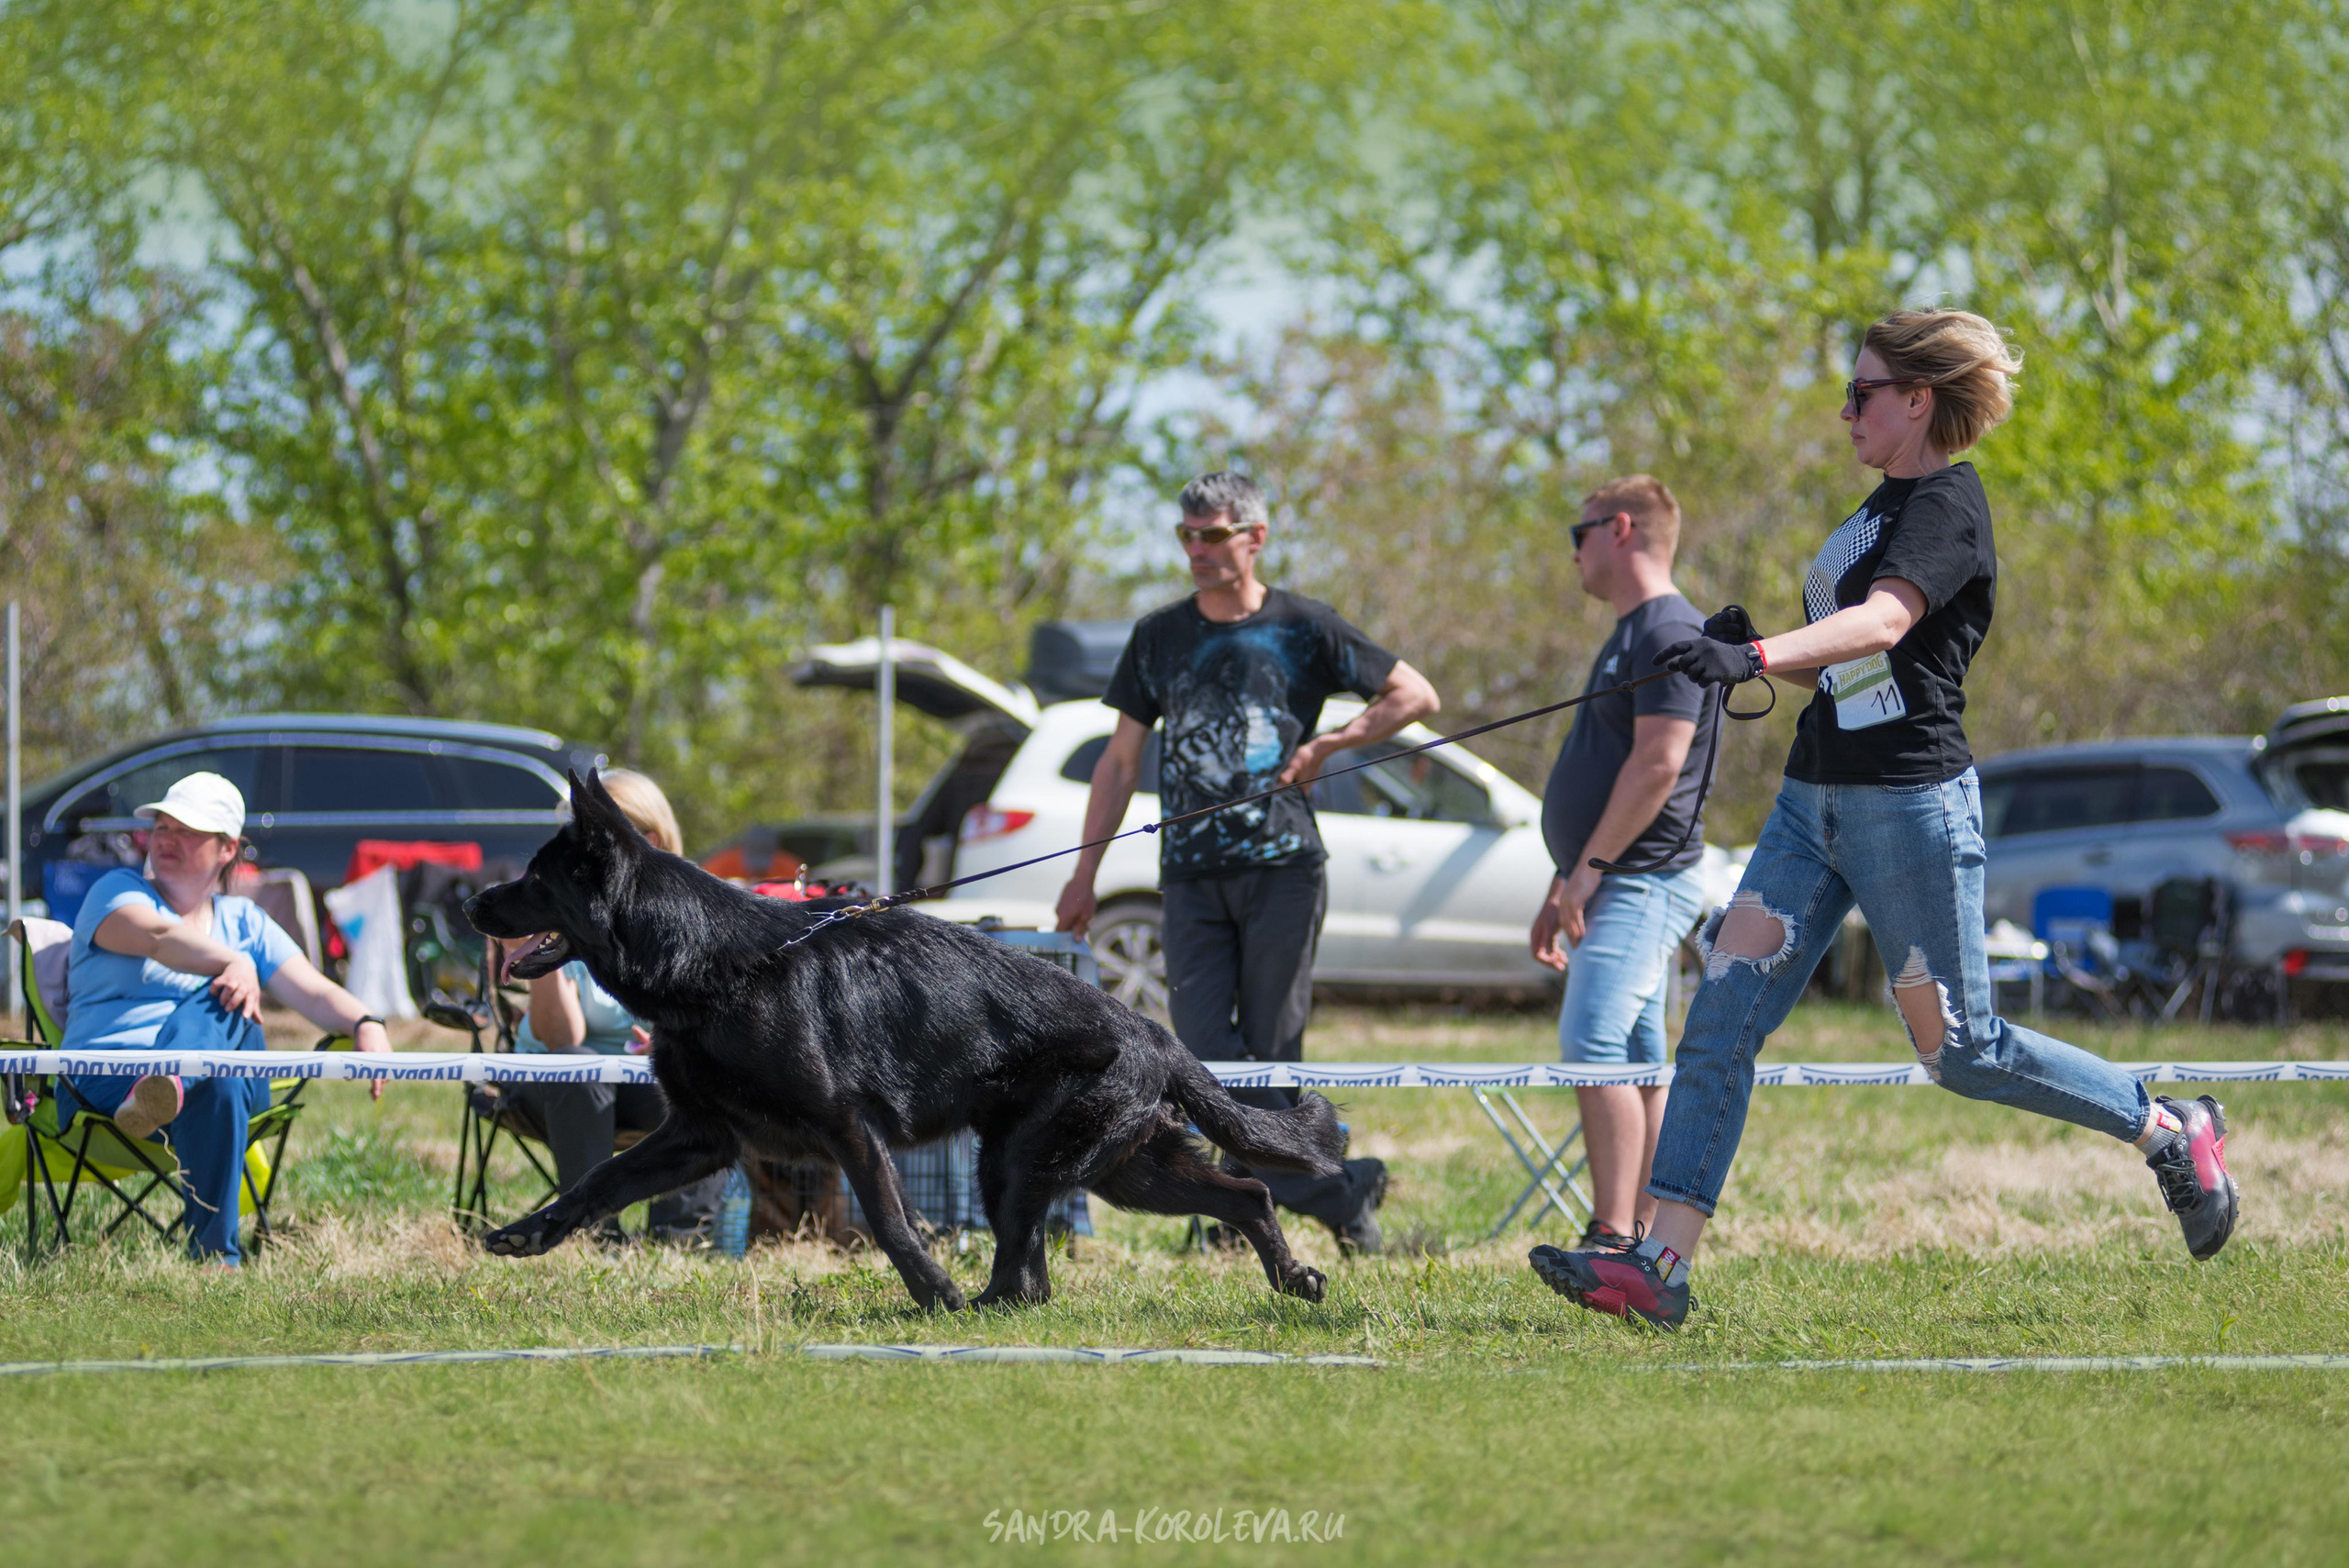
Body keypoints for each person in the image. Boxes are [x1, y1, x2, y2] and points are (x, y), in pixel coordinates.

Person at [1530, 308, 2239, 1329]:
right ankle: (1658, 1265)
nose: (1846, 408)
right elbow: (1852, 640)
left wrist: (1763, 655)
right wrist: (1748, 639)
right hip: (1808, 800)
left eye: (1862, 391)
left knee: (1963, 1051)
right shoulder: (1877, 505)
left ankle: (2166, 1125)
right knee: (1721, 1017)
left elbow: (1886, 621)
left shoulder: (1947, 503)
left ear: (1918, 399)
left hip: (1907, 804)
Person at [1054, 471, 1441, 1253]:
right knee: (1198, 1052)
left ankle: (1239, 1218)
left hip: (1284, 867)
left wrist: (1331, 744)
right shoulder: (1158, 635)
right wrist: (1083, 872)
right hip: (1190, 873)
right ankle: (1336, 1188)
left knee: (1271, 1053)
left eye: (1213, 534)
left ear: (1255, 538)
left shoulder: (1305, 625)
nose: (1197, 549)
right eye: (1186, 535)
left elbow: (1415, 695)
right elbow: (1120, 763)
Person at [61, 771, 395, 1265]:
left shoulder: (247, 922)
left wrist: (368, 1024)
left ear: (227, 848)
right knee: (223, 1059)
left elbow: (317, 994)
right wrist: (234, 963)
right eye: (162, 827)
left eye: (187, 831)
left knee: (230, 1014)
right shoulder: (116, 891)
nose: (168, 840)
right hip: (106, 1085)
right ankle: (217, 1257)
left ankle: (171, 1077)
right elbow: (159, 939)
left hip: (175, 1091)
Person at [1529, 474, 1718, 1246]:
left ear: (1619, 529)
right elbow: (1610, 768)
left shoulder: (1669, 630)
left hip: (1645, 877)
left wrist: (1591, 868)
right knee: (1638, 1055)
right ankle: (1642, 1233)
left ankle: (1612, 1238)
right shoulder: (1632, 630)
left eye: (1578, 536)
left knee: (1594, 1044)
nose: (1573, 554)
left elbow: (1658, 764)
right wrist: (1563, 878)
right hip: (1617, 875)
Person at [496, 769, 724, 1244]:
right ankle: (592, 1235)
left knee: (701, 1072)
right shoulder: (568, 904)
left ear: (650, 840)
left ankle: (681, 1243)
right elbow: (563, 1039)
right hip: (555, 1086)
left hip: (647, 1088)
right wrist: (542, 953)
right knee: (582, 1070)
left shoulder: (688, 920)